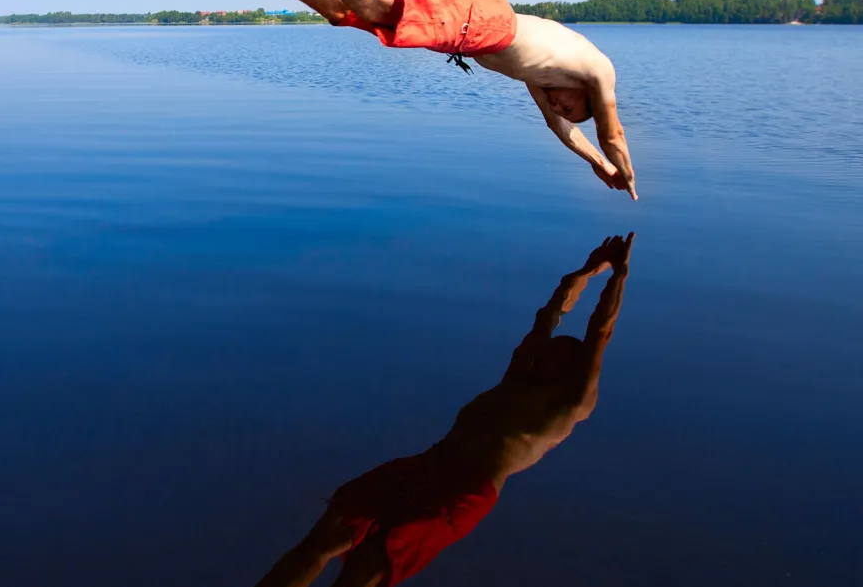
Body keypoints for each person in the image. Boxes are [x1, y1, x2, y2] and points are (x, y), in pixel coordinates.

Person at [133, 0, 637, 199]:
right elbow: (611, 134)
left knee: (336, 7)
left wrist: (593, 164)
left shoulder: (543, 77)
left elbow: (563, 132)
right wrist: (622, 173)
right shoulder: (597, 71)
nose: (560, 109)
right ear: (584, 95)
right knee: (374, 1)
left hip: (471, 16)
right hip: (479, 19)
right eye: (572, 108)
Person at [250, 233, 636, 587]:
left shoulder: (570, 404)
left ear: (567, 367)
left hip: (463, 493)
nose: (541, 353)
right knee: (327, 534)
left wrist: (619, 276)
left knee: (365, 568)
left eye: (552, 354)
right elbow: (549, 315)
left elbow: (600, 331)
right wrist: (588, 270)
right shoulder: (518, 377)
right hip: (427, 464)